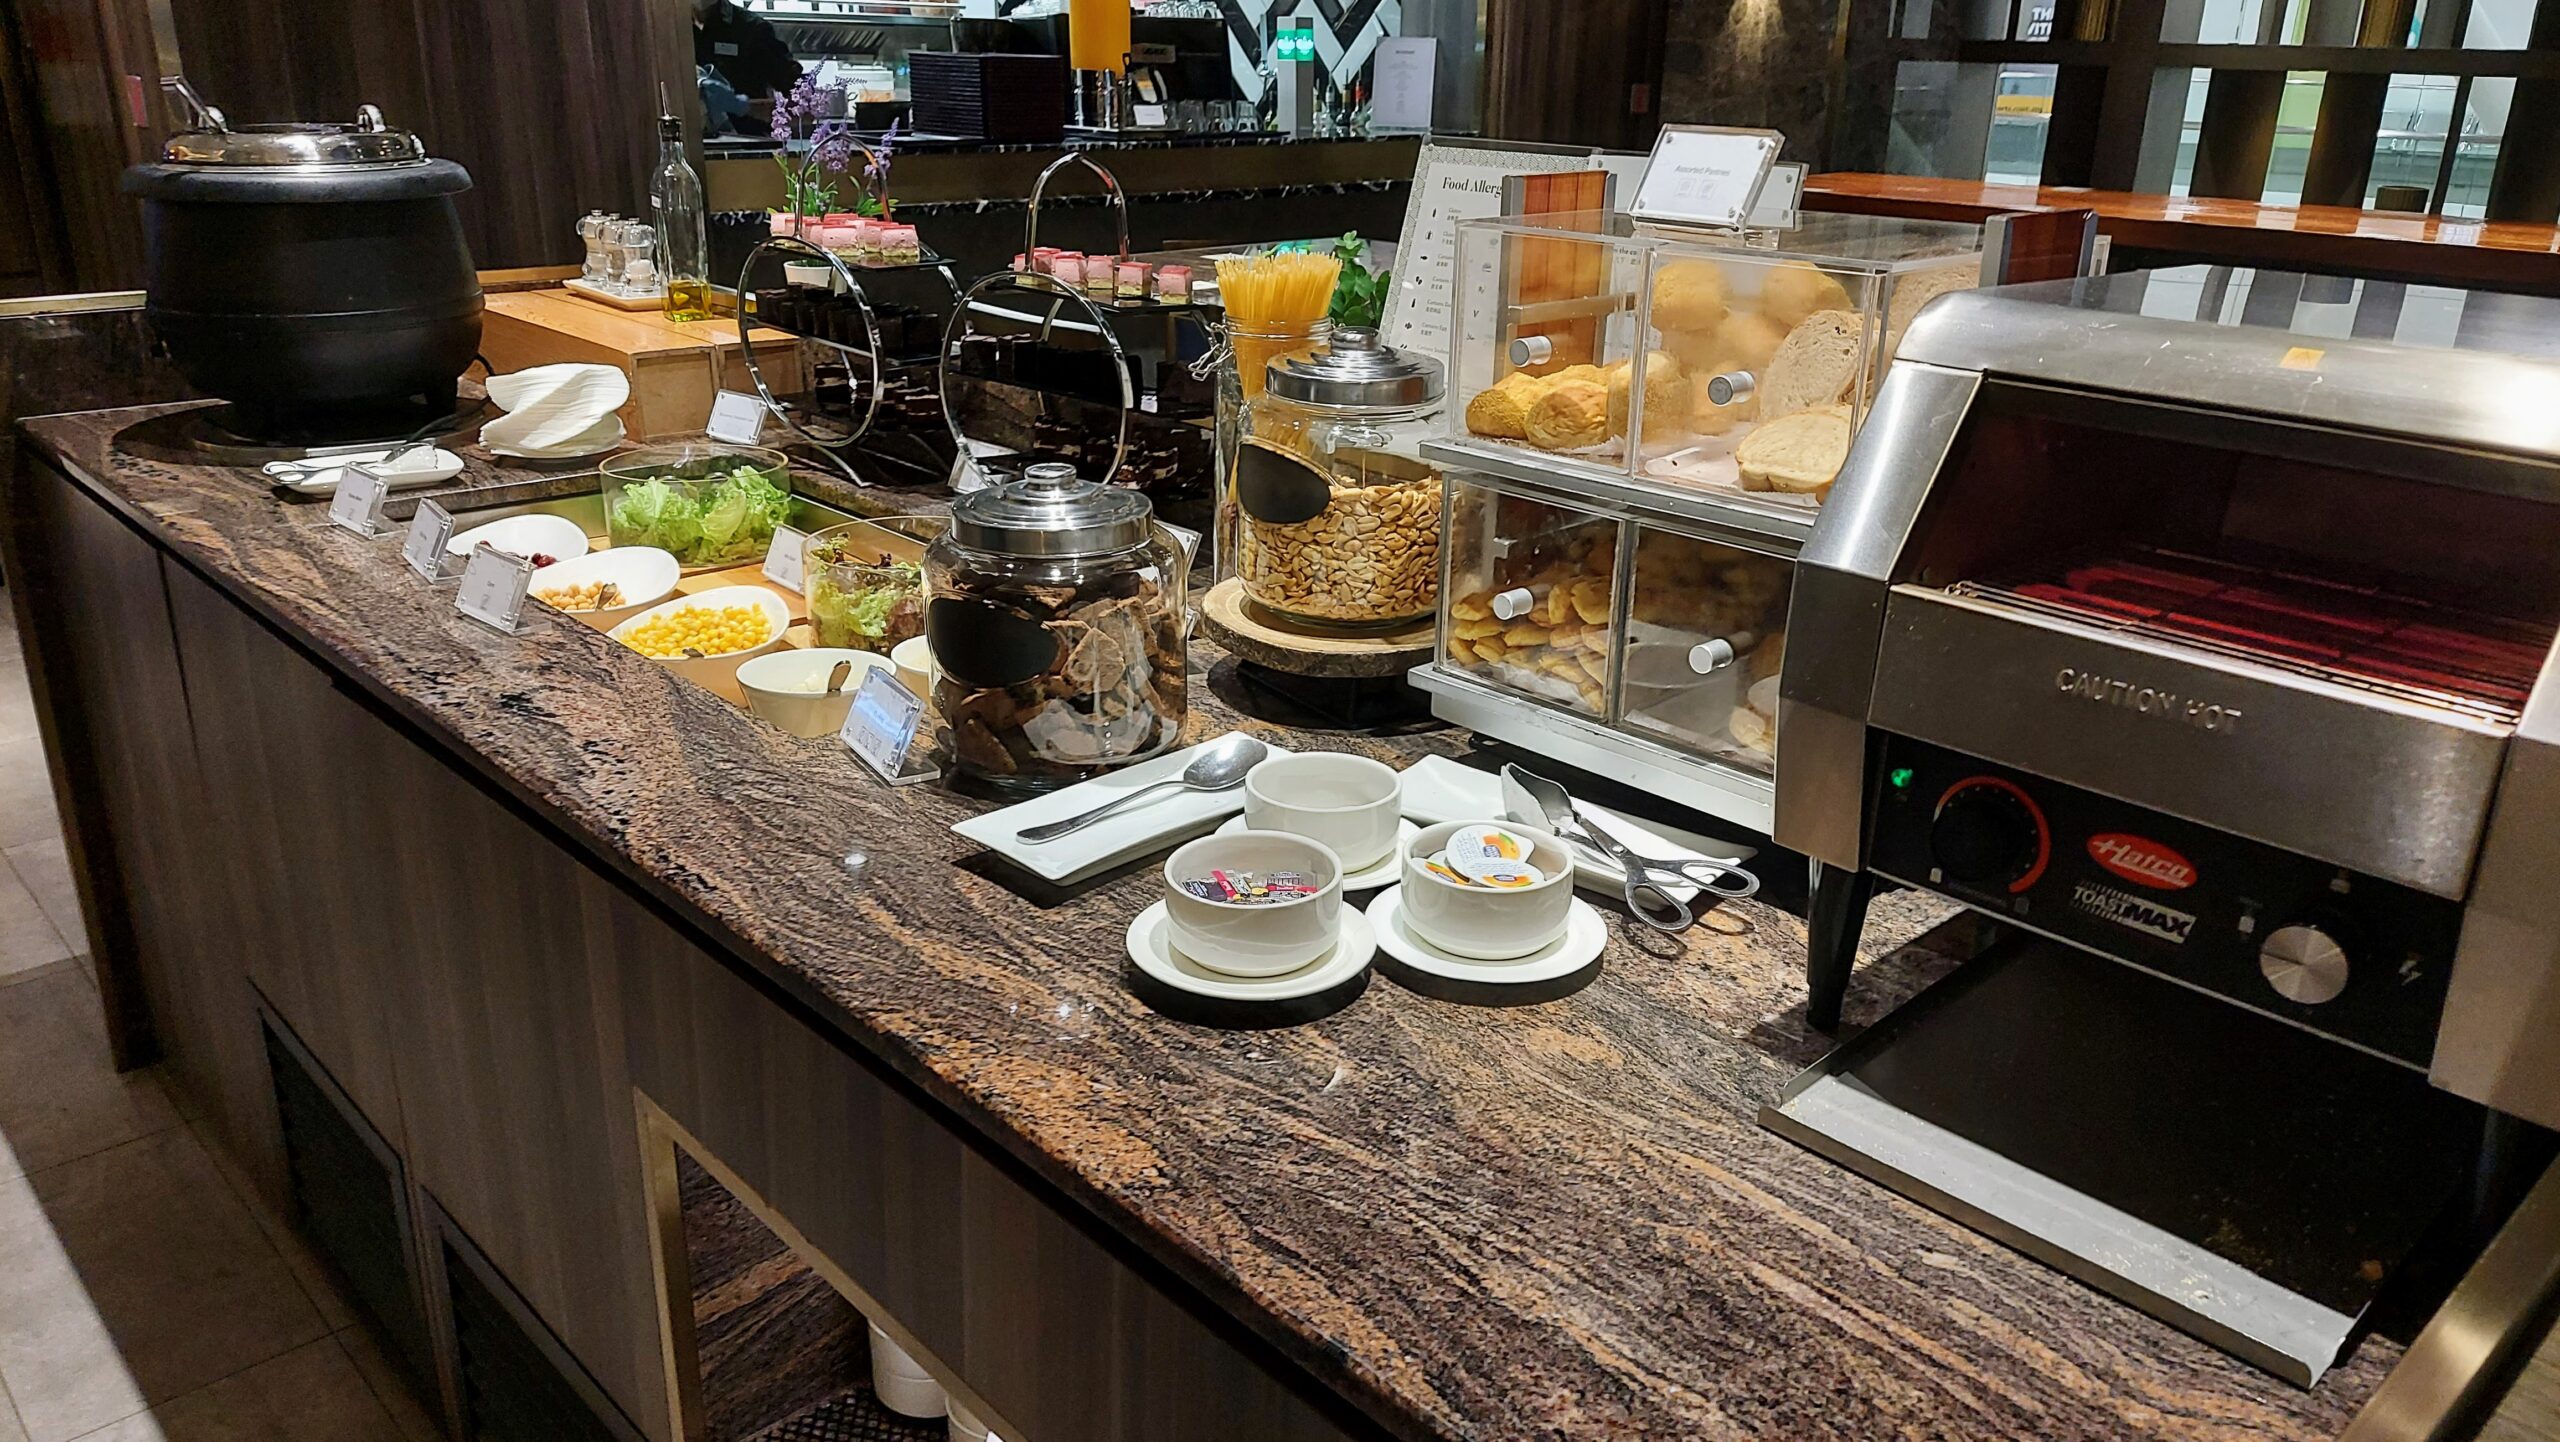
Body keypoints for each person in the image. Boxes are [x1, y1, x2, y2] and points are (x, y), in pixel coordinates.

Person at [694, 0, 801, 111]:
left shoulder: (752, 28)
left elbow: (788, 81)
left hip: (742, 120)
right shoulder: (682, 31)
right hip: (689, 118)